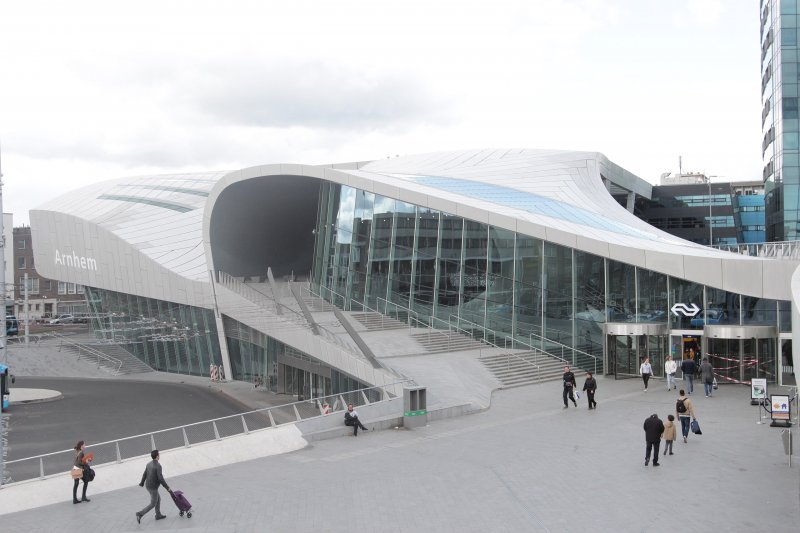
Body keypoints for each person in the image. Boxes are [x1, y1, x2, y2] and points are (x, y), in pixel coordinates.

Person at [136, 450, 170, 523]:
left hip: (148, 485)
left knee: (158, 499)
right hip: (153, 487)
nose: (159, 455)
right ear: (157, 456)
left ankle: (158, 515)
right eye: (159, 454)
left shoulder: (148, 464)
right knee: (153, 503)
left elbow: (144, 474)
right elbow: (160, 479)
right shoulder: (158, 466)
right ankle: (140, 514)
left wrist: (142, 483)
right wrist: (167, 488)